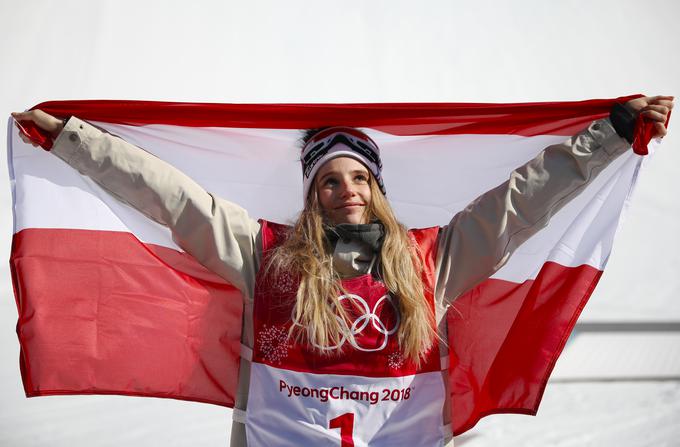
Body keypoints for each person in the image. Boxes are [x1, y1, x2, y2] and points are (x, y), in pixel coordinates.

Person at [11, 96, 673, 446]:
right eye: (330, 180)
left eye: (358, 176)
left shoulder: (431, 260)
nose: (347, 189)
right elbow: (175, 200)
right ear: (312, 193)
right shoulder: (267, 255)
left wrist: (611, 133)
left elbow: (520, 203)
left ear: (376, 187)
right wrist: (75, 138)